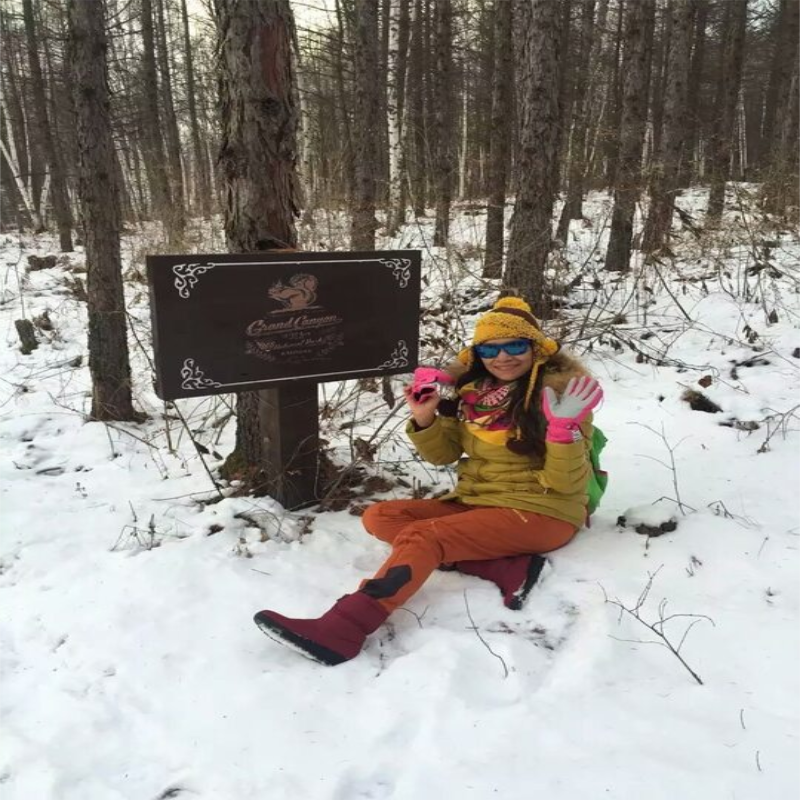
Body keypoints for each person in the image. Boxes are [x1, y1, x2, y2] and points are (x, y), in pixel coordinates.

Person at [254, 297, 603, 666]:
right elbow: (444, 455)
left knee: (424, 537)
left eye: (515, 346)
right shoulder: (475, 394)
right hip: (480, 501)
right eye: (489, 348)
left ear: (535, 348)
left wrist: (564, 430)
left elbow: (566, 485)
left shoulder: (563, 397)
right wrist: (425, 419)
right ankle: (506, 568)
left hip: (542, 511)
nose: (503, 357)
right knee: (381, 517)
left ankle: (344, 628)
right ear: (477, 353)